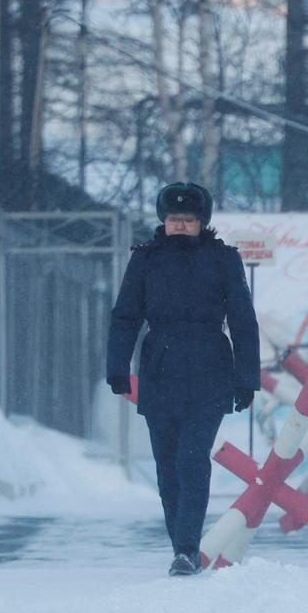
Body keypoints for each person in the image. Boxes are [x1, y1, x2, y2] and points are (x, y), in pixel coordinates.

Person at [106, 182, 260, 577]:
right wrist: (118, 367)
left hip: (210, 368)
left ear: (201, 222)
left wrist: (247, 378)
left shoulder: (223, 259)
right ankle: (181, 546)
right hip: (160, 367)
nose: (180, 226)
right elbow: (126, 316)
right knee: (168, 464)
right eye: (174, 219)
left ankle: (188, 548)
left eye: (188, 220)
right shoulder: (145, 259)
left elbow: (242, 319)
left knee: (192, 459)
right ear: (164, 220)